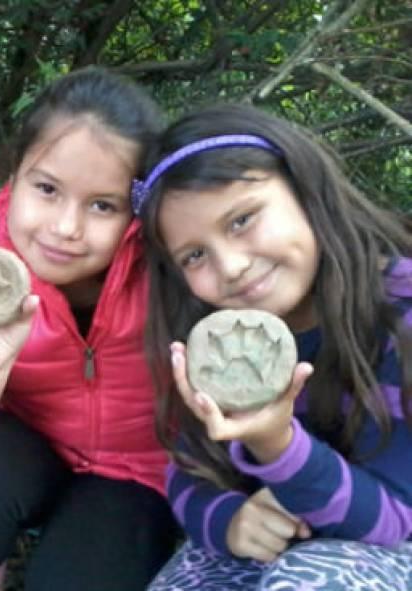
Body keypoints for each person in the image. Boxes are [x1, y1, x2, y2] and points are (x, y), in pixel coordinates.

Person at [0, 66, 180, 591]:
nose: (66, 228)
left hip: (135, 477)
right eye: (48, 189)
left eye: (103, 205)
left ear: (139, 210)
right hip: (27, 458)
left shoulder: (170, 274)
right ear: (16, 175)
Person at [132, 104, 412, 590]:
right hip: (278, 546)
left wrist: (276, 445)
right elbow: (188, 471)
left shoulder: (400, 317)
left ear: (305, 190)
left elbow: (393, 524)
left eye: (241, 220)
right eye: (195, 255)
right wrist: (231, 520)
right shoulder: (219, 344)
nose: (232, 266)